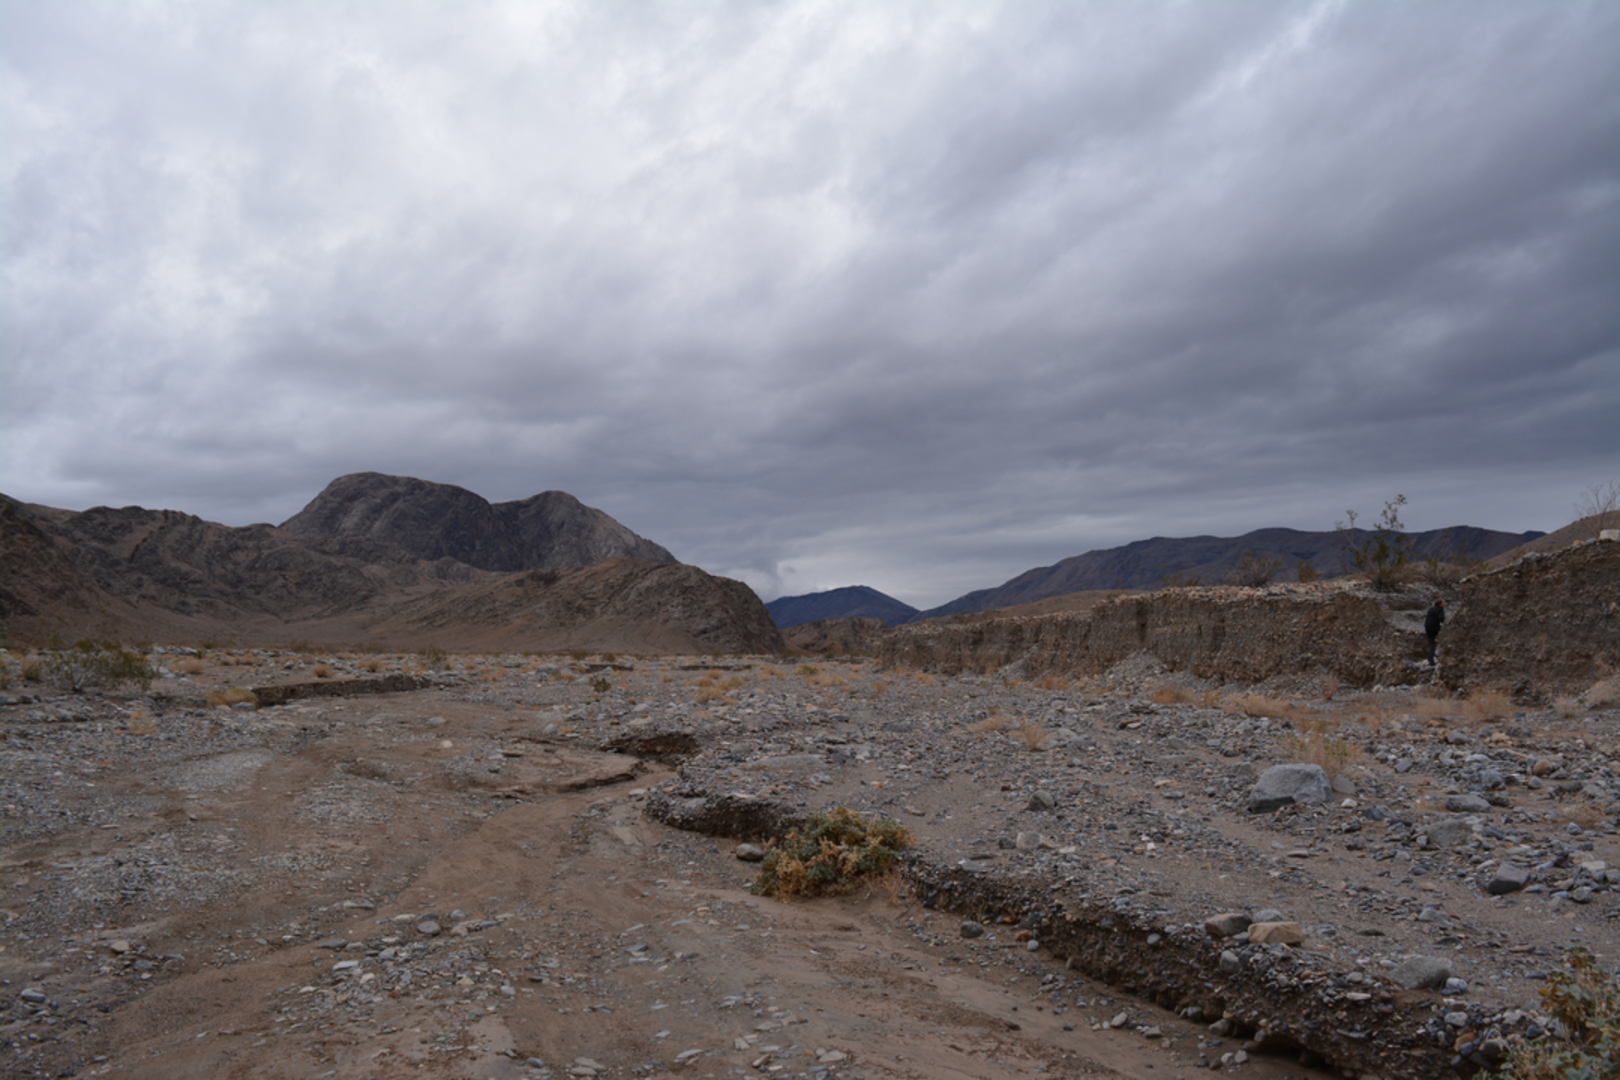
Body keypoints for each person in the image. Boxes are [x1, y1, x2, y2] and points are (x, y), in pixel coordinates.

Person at [1424, 597, 1446, 666]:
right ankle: (1431, 660)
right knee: (1434, 643)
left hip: (1427, 627)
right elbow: (1441, 618)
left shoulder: (1431, 609)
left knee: (1431, 642)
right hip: (1434, 627)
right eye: (1444, 603)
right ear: (1440, 604)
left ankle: (1430, 658)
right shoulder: (1440, 609)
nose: (1445, 604)